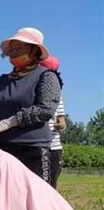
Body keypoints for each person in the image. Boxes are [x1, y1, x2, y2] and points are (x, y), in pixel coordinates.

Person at [0, 27, 60, 181]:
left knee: (36, 199)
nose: (14, 51)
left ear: (35, 50)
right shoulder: (2, 81)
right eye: (12, 48)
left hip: (31, 149)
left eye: (20, 47)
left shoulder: (47, 77)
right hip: (0, 148)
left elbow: (45, 109)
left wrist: (11, 122)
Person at [41, 56, 66, 189]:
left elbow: (61, 120)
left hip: (53, 147)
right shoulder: (32, 92)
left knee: (49, 188)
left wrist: (60, 125)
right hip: (37, 146)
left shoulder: (58, 95)